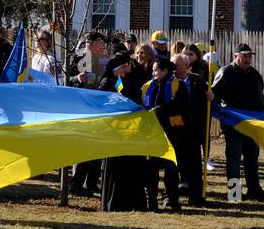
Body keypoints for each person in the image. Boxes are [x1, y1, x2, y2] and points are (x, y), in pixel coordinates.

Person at [211, 43, 264, 201]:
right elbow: (213, 95)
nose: (247, 59)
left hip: (252, 124)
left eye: (249, 56)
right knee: (234, 160)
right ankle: (234, 192)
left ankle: (254, 189)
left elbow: (261, 94)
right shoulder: (225, 72)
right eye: (244, 56)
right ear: (235, 56)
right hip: (234, 124)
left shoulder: (255, 75)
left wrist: (262, 106)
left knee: (252, 158)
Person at [99, 52, 150, 211]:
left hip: (133, 128)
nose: (127, 69)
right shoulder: (109, 81)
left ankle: (134, 202)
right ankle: (115, 202)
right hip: (116, 130)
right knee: (116, 168)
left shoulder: (136, 77)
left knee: (134, 167)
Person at [65, 32, 109, 196]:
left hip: (100, 107)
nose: (100, 47)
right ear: (88, 43)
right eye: (97, 43)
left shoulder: (106, 61)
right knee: (84, 147)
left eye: (102, 45)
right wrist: (77, 78)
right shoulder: (76, 58)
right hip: (81, 107)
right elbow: (64, 79)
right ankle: (75, 184)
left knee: (98, 147)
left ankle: (91, 183)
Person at [141, 58, 185, 211]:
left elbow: (181, 105)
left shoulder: (178, 85)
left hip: (172, 132)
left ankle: (173, 200)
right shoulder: (147, 87)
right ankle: (151, 202)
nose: (153, 73)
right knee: (151, 169)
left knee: (171, 169)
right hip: (152, 132)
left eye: (156, 70)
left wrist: (160, 110)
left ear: (165, 71)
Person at [171, 51, 208, 206]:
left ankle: (196, 197)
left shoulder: (198, 81)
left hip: (193, 131)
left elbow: (207, 101)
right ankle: (171, 197)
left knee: (194, 166)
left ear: (187, 66)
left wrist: (212, 96)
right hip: (175, 130)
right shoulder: (168, 82)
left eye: (176, 66)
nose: (173, 68)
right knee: (173, 166)